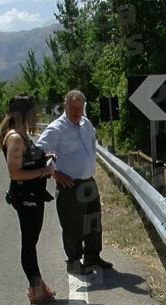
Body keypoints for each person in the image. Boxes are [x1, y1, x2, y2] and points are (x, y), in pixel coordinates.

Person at [37, 90, 113, 275]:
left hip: (88, 181)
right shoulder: (57, 128)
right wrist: (55, 174)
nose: (77, 112)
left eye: (80, 108)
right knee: (73, 226)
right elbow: (39, 151)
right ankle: (74, 262)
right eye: (73, 108)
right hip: (70, 185)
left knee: (93, 222)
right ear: (65, 107)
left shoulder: (85, 123)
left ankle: (93, 256)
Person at [0, 95, 57, 304]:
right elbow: (15, 173)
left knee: (31, 242)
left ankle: (38, 284)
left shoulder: (21, 135)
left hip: (32, 196)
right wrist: (44, 171)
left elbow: (26, 162)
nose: (37, 115)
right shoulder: (15, 138)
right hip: (26, 197)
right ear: (26, 114)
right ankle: (36, 289)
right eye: (34, 112)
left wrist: (44, 158)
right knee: (29, 243)